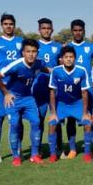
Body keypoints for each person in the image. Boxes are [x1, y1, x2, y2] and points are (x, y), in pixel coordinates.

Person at [0, 38, 48, 166]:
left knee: (36, 122)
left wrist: (58, 72)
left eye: (34, 51)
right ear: (23, 52)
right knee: (14, 124)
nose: (31, 54)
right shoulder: (16, 65)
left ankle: (34, 155)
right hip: (14, 99)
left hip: (28, 98)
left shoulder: (39, 63)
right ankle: (16, 157)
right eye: (28, 51)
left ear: (37, 52)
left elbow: (46, 69)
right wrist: (6, 93)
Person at [0, 13, 23, 163]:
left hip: (17, 86)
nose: (8, 26)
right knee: (0, 117)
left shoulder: (21, 41)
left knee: (17, 119)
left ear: (14, 25)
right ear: (2, 25)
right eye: (6, 24)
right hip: (1, 86)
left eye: (11, 24)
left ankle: (17, 149)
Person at [48, 46, 93, 163]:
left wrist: (85, 113)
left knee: (88, 123)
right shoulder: (56, 71)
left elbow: (84, 92)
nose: (68, 59)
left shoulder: (81, 71)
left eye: (71, 57)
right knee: (52, 123)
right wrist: (53, 113)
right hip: (61, 104)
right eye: (66, 57)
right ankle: (53, 154)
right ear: (62, 59)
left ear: (75, 58)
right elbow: (52, 91)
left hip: (77, 103)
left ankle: (87, 153)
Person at [64, 19, 93, 159]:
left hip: (87, 88)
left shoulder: (91, 47)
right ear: (72, 31)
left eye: (80, 30)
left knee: (88, 118)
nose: (78, 33)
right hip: (70, 89)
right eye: (75, 30)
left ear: (84, 31)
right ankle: (72, 149)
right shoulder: (66, 48)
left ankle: (89, 148)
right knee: (70, 119)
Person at [32, 18, 62, 155]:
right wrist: (45, 69)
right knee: (39, 119)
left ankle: (58, 148)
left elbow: (62, 66)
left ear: (52, 30)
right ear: (39, 30)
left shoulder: (58, 46)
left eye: (48, 28)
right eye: (43, 28)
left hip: (55, 88)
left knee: (56, 118)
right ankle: (37, 149)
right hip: (39, 87)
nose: (46, 31)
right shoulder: (34, 46)